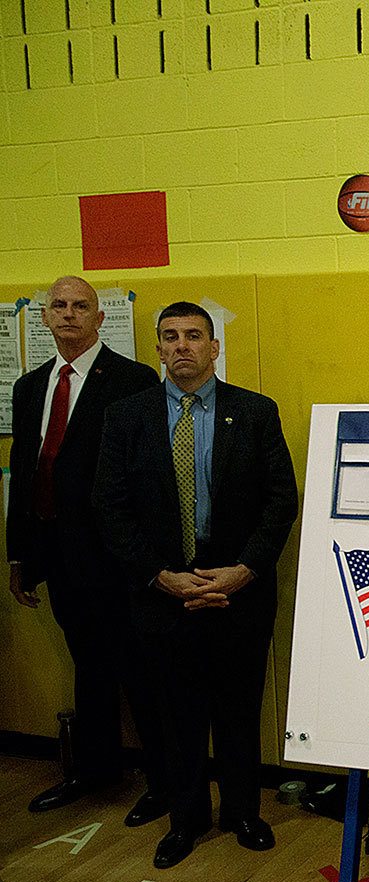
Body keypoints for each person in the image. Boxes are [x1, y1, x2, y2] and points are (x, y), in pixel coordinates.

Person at [93, 301, 298, 870]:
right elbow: (110, 508)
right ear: (157, 348)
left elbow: (281, 500)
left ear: (214, 347)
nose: (182, 346)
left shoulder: (255, 412)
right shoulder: (126, 417)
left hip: (238, 591)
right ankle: (185, 821)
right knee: (175, 717)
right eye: (170, 337)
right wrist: (160, 577)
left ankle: (242, 813)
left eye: (194, 336)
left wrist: (244, 570)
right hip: (163, 594)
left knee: (238, 711)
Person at [7, 276, 167, 825]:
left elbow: (145, 480)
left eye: (81, 307)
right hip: (57, 553)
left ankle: (165, 783)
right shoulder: (31, 387)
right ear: (44, 318)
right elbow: (25, 475)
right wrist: (20, 556)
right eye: (59, 306)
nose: (69, 314)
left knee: (137, 669)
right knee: (88, 665)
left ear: (101, 319)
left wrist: (142, 559)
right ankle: (95, 771)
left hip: (115, 558)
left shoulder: (132, 381)